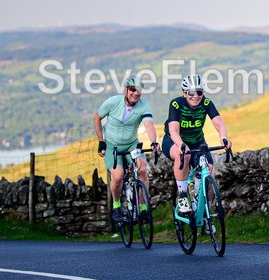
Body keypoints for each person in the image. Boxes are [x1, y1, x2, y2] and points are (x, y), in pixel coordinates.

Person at [161, 75, 231, 215]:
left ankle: (204, 212)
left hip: (197, 141)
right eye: (191, 92)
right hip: (174, 140)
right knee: (184, 156)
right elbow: (173, 130)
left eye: (199, 92)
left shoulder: (206, 103)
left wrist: (223, 138)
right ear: (184, 93)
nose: (196, 96)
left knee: (209, 172)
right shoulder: (176, 104)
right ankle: (182, 196)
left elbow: (219, 123)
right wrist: (181, 144)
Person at [94, 75, 159, 223]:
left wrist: (154, 141)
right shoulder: (113, 102)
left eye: (139, 91)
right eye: (132, 90)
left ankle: (143, 209)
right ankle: (117, 206)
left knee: (142, 170)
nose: (136, 93)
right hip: (112, 145)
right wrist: (101, 141)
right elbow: (97, 117)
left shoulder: (144, 105)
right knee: (117, 177)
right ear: (126, 90)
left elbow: (149, 124)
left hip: (131, 144)